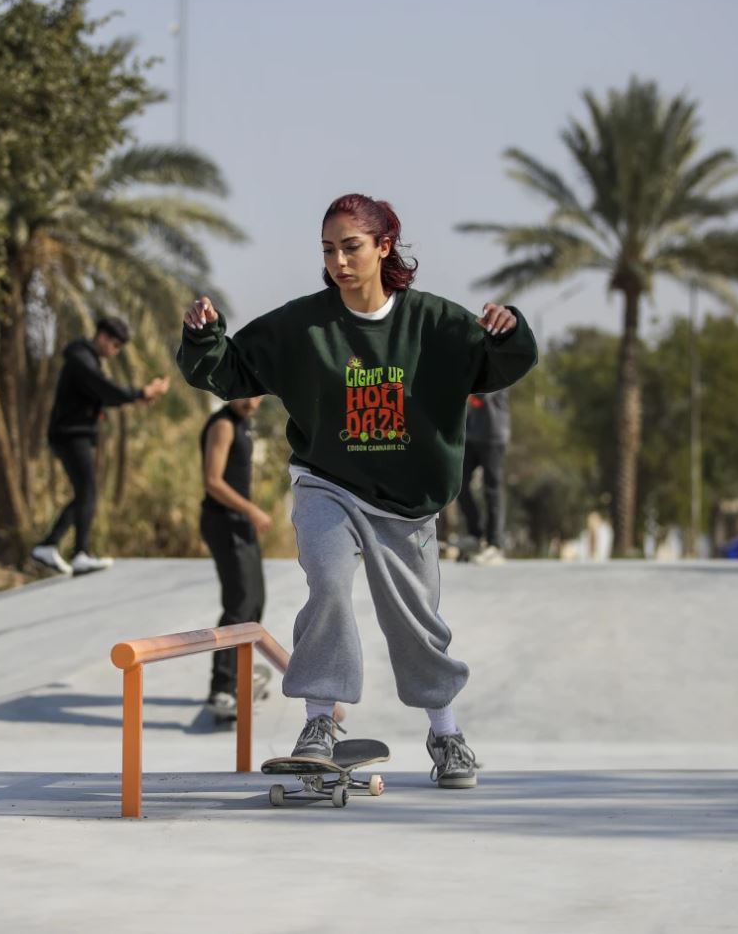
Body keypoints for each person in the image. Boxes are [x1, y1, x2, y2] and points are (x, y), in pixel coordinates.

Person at [177, 194, 538, 788]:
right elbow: (230, 369)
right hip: (328, 484)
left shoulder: (434, 323)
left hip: (406, 501)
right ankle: (320, 721)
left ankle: (445, 732)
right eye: (328, 249)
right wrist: (204, 335)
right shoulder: (304, 325)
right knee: (329, 585)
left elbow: (502, 363)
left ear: (383, 247)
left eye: (351, 247)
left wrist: (508, 329)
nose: (339, 261)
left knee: (416, 620)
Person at [31, 316, 169, 576]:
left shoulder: (87, 360)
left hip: (76, 434)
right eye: (115, 345)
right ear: (103, 337)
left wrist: (139, 396)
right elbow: (105, 389)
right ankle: (79, 553)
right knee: (88, 490)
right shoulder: (81, 359)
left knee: (86, 492)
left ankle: (49, 545)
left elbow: (102, 395)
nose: (115, 352)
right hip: (70, 435)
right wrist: (140, 393)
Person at [199, 396, 272, 721]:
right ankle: (222, 688)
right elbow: (212, 481)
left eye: (258, 395)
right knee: (239, 602)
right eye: (247, 394)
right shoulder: (224, 424)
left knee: (255, 601)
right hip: (224, 522)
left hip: (241, 524)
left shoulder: (243, 424)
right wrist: (251, 509)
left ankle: (240, 674)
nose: (252, 402)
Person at [457, 388, 510, 564]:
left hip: (494, 434)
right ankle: (475, 534)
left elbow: (480, 395)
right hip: (472, 435)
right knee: (458, 483)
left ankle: (495, 543)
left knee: (492, 489)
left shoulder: (495, 363)